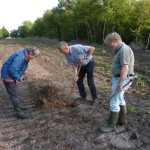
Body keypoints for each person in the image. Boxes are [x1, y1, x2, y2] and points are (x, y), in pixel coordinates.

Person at [100, 32, 134, 133]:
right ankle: (121, 121)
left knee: (114, 102)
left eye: (109, 44)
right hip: (120, 79)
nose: (108, 46)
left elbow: (125, 68)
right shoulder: (120, 49)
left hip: (122, 79)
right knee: (120, 99)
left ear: (114, 41)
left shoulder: (124, 50)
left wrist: (120, 84)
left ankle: (112, 126)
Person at [1, 47, 40, 119]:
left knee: (15, 92)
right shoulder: (20, 57)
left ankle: (19, 106)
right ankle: (18, 112)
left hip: (10, 74)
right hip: (8, 75)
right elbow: (12, 69)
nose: (33, 58)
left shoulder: (24, 55)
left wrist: (20, 75)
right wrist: (18, 78)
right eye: (33, 56)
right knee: (14, 94)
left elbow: (20, 67)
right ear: (29, 53)